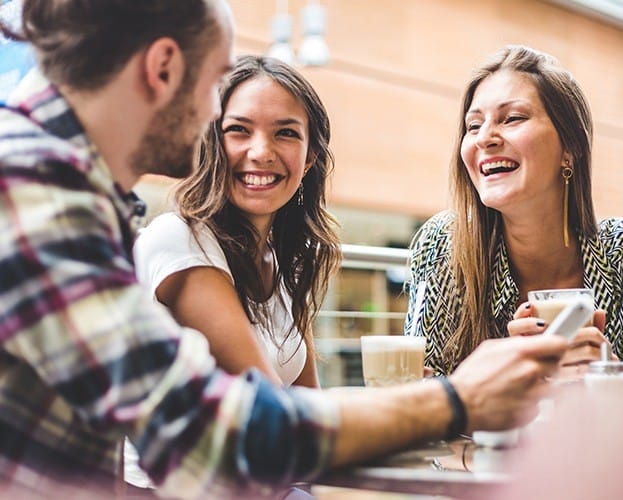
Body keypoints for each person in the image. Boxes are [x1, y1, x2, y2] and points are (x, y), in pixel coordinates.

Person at [0, 2, 568, 497]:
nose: (215, 119)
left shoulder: (70, 190)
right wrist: (457, 399)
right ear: (164, 68)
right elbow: (211, 434)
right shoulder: (33, 192)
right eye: (218, 85)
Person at [404, 44, 622, 376]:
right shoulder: (441, 247)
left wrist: (608, 377)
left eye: (513, 118)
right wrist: (498, 382)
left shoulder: (618, 254)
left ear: (570, 148)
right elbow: (418, 391)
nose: (484, 138)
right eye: (473, 126)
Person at [134, 55, 340, 391]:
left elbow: (307, 403)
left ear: (309, 159)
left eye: (285, 133)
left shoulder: (285, 262)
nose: (261, 152)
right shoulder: (181, 242)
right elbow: (276, 409)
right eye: (238, 130)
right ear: (211, 142)